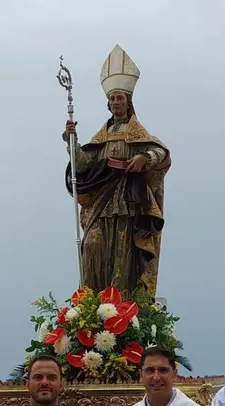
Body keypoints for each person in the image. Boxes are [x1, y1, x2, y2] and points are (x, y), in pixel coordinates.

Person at [63, 44, 170, 296]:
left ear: (128, 102)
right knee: (92, 245)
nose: (116, 102)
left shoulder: (137, 134)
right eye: (112, 99)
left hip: (127, 205)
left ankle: (121, 308)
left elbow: (161, 152)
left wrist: (144, 157)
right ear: (108, 104)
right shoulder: (103, 137)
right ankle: (91, 304)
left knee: (123, 257)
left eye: (120, 98)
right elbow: (82, 165)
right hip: (102, 204)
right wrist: (72, 139)